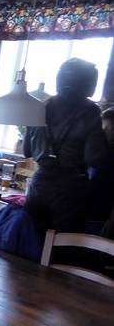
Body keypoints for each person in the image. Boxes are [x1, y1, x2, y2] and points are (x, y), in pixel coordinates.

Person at [24, 58, 107, 233]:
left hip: (39, 183)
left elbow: (27, 151)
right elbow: (95, 158)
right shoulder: (91, 112)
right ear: (88, 83)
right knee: (63, 242)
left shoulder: (42, 106)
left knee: (30, 237)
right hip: (71, 188)